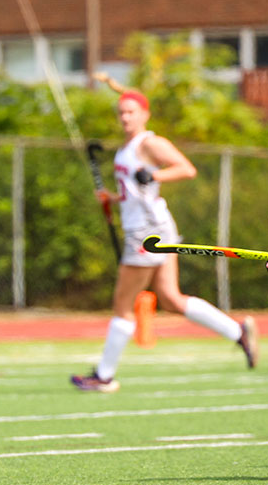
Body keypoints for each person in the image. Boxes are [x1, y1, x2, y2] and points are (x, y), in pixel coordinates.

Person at [72, 83, 259, 392]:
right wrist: (110, 198)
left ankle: (104, 376)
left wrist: (155, 175)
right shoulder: (125, 148)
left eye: (131, 112)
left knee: (122, 302)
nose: (125, 117)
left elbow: (186, 168)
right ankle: (237, 331)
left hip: (147, 232)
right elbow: (132, 192)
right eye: (121, 112)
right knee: (171, 298)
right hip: (150, 226)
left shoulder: (150, 143)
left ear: (144, 114)